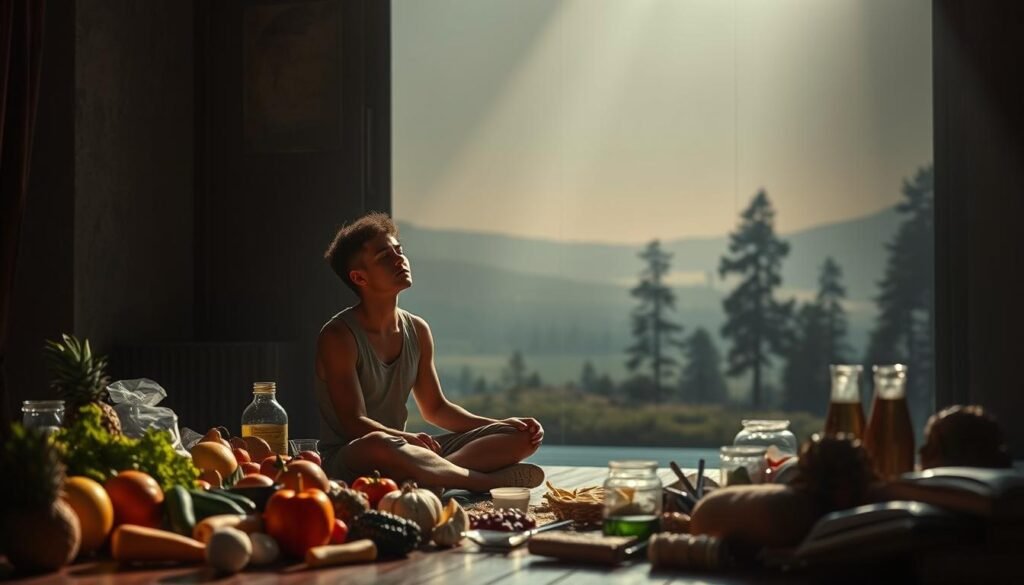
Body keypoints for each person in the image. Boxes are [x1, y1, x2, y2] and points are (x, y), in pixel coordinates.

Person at [315, 212, 545, 491]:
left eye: (398, 251)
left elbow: (436, 409)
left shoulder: (418, 329)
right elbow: (355, 424)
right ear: (359, 278)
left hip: (409, 450)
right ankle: (480, 482)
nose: (399, 259)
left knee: (518, 436)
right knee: (379, 444)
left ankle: (432, 478)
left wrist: (501, 423)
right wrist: (409, 441)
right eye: (384, 257)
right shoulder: (338, 336)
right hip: (356, 456)